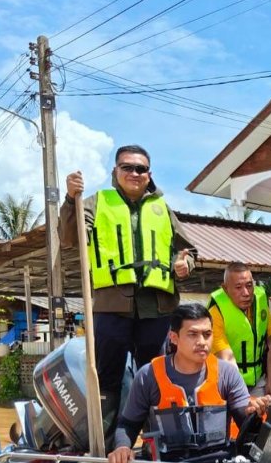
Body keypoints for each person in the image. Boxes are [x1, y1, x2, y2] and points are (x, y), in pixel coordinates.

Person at [59, 145, 195, 425]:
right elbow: (70, 237)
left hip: (156, 310)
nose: (134, 173)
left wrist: (185, 263)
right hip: (111, 307)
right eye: (127, 167)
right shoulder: (95, 202)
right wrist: (71, 199)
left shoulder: (163, 209)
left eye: (141, 169)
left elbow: (188, 251)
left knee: (156, 376)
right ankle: (108, 444)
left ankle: (155, 443)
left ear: (149, 174)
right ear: (115, 171)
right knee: (107, 378)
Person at [107, 302, 270, 463]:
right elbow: (127, 425)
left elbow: (244, 416)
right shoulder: (148, 376)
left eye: (207, 334)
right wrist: (122, 447)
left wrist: (253, 413)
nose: (202, 342)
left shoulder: (227, 373)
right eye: (193, 334)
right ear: (174, 337)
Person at [208, 263, 271, 397]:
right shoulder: (215, 313)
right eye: (238, 287)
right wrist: (246, 398)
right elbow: (226, 358)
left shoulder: (260, 301)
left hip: (259, 382)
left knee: (262, 416)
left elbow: (268, 344)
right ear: (226, 289)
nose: (246, 293)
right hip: (226, 383)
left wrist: (270, 381)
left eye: (249, 285)